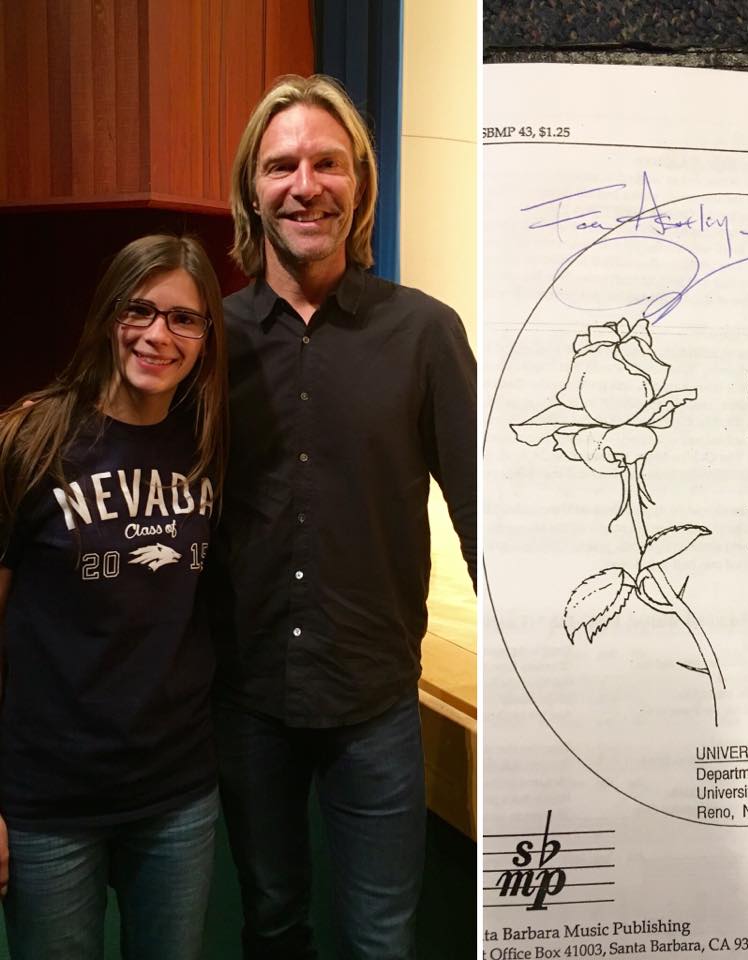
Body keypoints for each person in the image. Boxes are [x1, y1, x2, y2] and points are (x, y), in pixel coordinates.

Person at [209, 73, 476, 959]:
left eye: (328, 163)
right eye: (281, 165)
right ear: (252, 189)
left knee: (381, 941)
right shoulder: (208, 339)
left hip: (375, 702)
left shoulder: (426, 334)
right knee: (271, 926)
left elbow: (481, 511)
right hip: (248, 698)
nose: (306, 185)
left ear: (359, 183)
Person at [0, 234, 228, 960]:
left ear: (205, 337)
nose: (159, 335)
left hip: (175, 794)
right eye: (140, 310)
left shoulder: (210, 445)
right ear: (108, 315)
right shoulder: (29, 439)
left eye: (184, 319)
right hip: (48, 801)